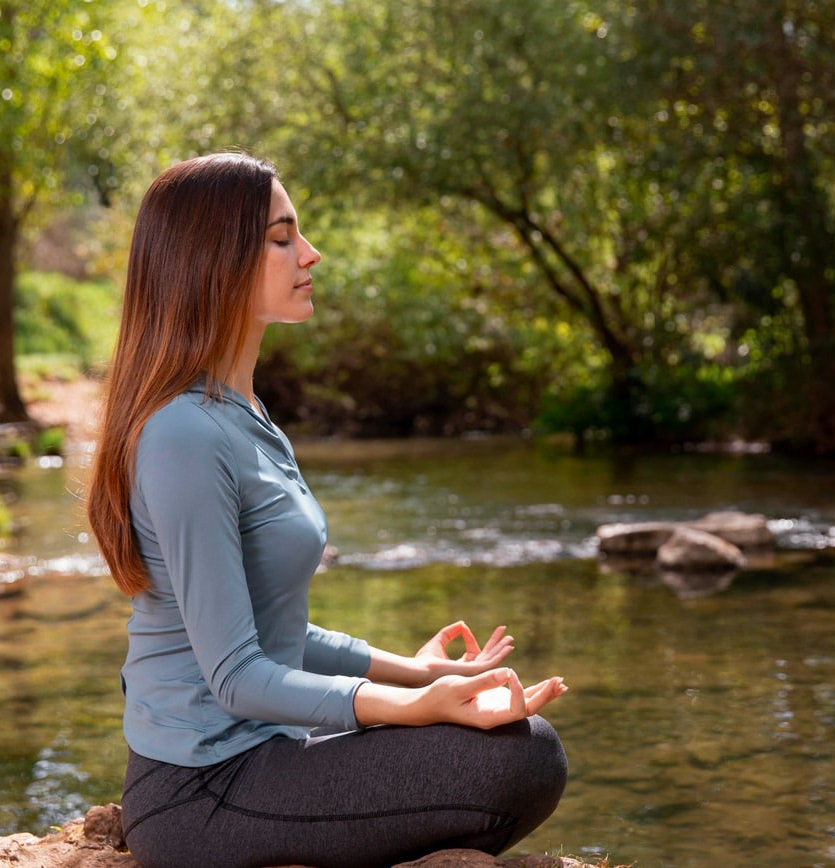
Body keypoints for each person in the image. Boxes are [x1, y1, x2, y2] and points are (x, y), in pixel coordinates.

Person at [86, 152, 569, 868]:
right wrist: (412, 709)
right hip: (201, 792)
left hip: (268, 753)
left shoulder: (245, 415)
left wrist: (420, 673)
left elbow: (277, 629)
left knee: (518, 743)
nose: (309, 254)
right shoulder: (182, 435)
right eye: (281, 238)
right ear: (213, 261)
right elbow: (237, 675)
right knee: (523, 760)